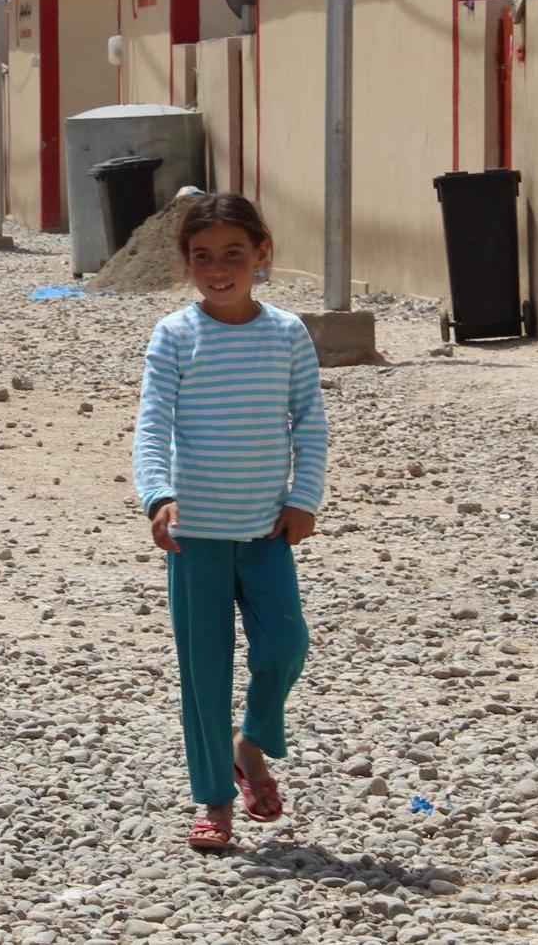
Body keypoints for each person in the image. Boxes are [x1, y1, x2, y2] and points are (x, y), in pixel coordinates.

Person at [132, 194, 327, 855]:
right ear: (186, 263)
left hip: (267, 530)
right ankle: (214, 797)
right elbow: (152, 424)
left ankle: (252, 743)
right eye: (202, 257)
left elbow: (310, 423)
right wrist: (156, 495)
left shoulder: (287, 334)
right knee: (203, 671)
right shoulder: (174, 336)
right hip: (196, 537)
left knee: (285, 645)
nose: (218, 269)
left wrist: (304, 497)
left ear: (260, 253)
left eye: (232, 254)